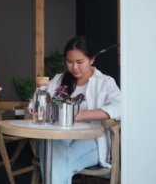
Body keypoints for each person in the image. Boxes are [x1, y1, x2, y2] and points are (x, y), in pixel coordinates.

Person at [32, 36, 121, 184]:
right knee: (53, 152)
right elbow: (34, 103)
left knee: (55, 163)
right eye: (69, 62)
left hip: (92, 142)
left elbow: (120, 107)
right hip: (58, 138)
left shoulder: (105, 82)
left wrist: (81, 115)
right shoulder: (59, 80)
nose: (74, 67)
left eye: (80, 62)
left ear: (91, 59)